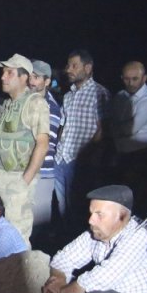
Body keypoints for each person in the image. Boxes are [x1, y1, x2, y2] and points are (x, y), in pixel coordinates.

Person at [0, 54, 51, 243]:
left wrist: (24, 181)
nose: (3, 77)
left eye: (9, 73)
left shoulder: (35, 103)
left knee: (16, 237)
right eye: (3, 72)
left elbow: (42, 143)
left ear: (24, 77)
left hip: (17, 178)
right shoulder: (6, 104)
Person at [56, 49, 110, 221]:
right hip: (61, 158)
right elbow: (63, 125)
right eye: (68, 65)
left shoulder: (100, 93)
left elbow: (103, 129)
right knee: (62, 206)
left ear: (87, 68)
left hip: (80, 160)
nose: (68, 69)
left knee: (79, 206)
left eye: (74, 66)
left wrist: (91, 157)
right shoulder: (67, 96)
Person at [108, 61, 147, 207]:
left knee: (138, 199)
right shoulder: (120, 96)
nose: (130, 83)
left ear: (144, 78)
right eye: (126, 79)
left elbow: (130, 129)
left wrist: (116, 128)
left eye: (135, 79)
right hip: (122, 155)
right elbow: (113, 122)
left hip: (142, 156)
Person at [29, 60, 62, 235]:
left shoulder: (52, 108)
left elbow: (46, 145)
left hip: (42, 173)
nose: (31, 81)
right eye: (29, 76)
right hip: (25, 172)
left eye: (36, 77)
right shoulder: (25, 101)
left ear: (47, 82)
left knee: (38, 228)